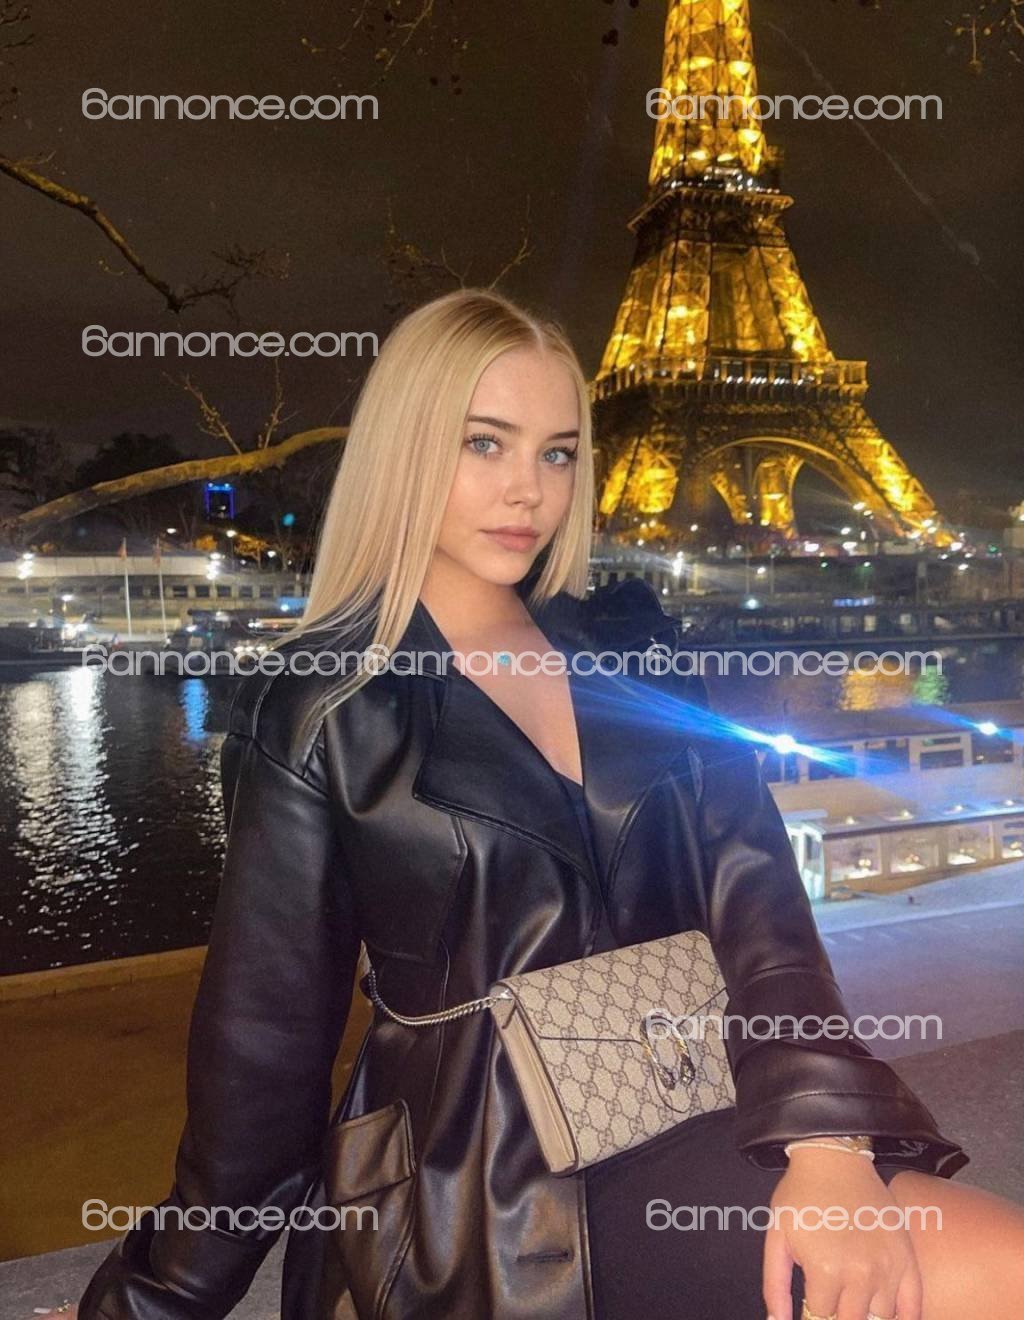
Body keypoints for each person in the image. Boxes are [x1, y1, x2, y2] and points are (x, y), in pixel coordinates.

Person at [61, 289, 1024, 1320]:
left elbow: (765, 925)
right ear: (404, 450)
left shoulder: (639, 659)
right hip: (483, 1189)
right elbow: (264, 1062)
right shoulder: (320, 708)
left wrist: (827, 1138)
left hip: (701, 1097)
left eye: (558, 453)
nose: (528, 488)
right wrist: (148, 1304)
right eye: (485, 443)